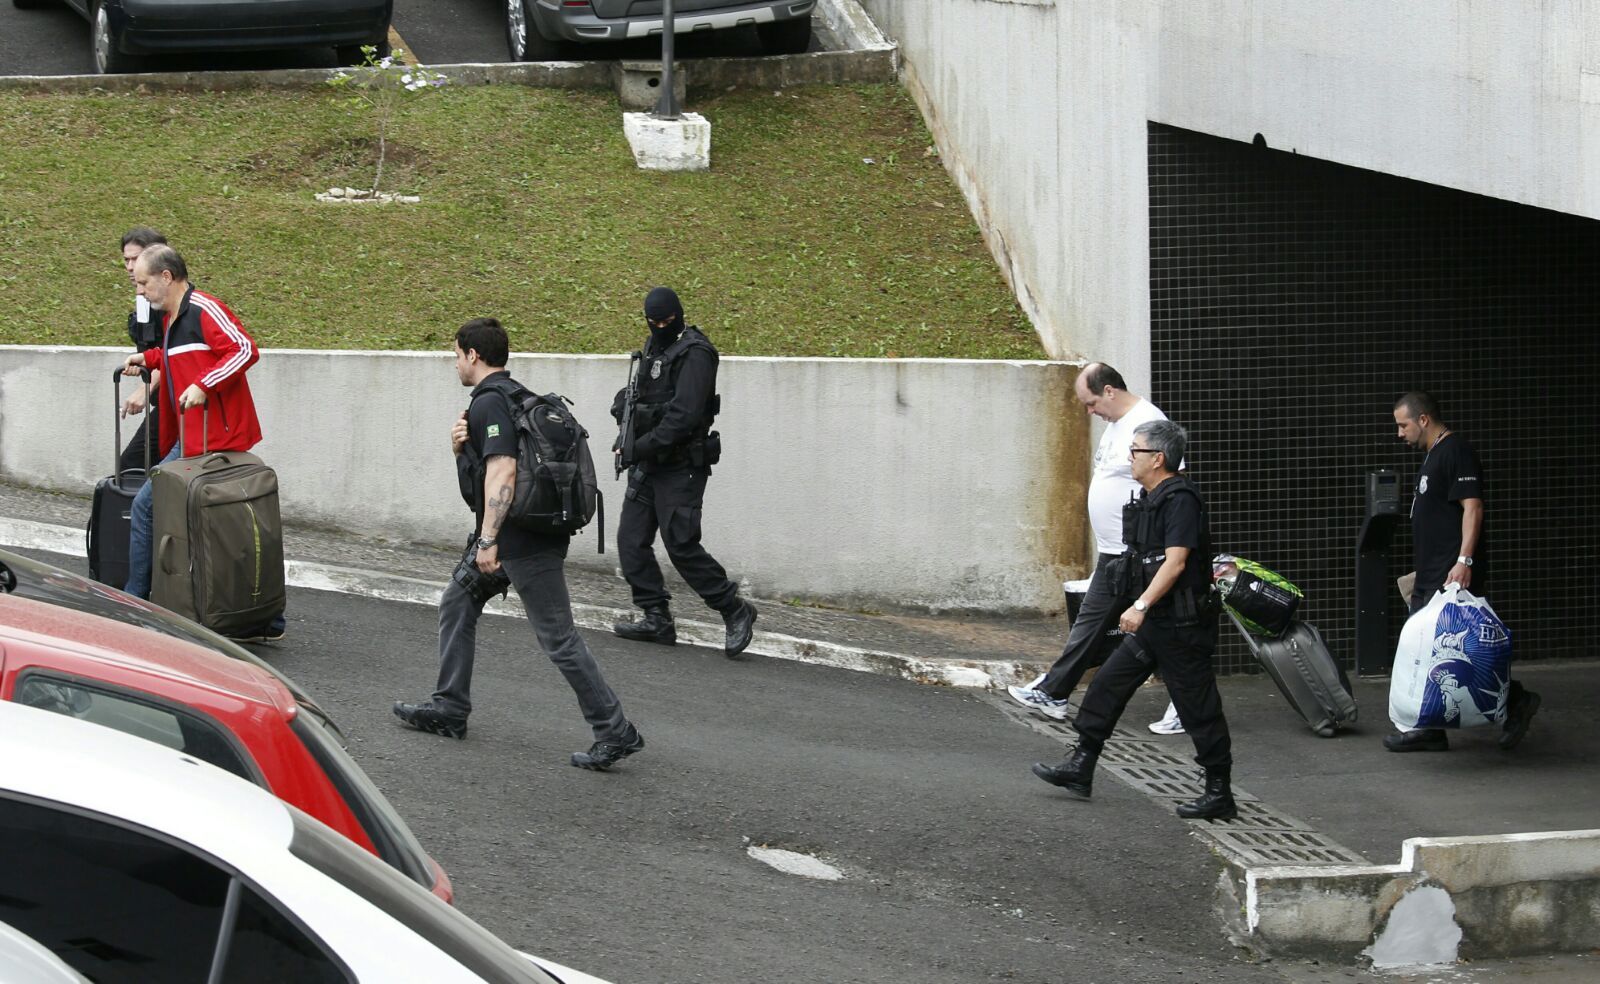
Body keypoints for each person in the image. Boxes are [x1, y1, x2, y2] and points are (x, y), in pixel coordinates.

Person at [394, 318, 644, 771]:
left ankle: (615, 729)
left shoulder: (490, 403)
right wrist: (458, 453)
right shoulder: (518, 395)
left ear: (473, 355)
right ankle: (449, 707)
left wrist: (489, 540)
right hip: (522, 533)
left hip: (519, 541)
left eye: (456, 355)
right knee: (457, 601)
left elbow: (503, 471)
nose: (455, 364)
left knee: (559, 638)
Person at [1032, 421, 1238, 821]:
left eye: (1136, 450)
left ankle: (1219, 793)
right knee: (1107, 684)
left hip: (1181, 625)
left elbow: (1176, 562)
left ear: (1157, 458)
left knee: (1198, 708)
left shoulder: (1180, 500)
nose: (1130, 457)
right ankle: (1081, 766)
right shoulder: (1152, 497)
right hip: (1157, 624)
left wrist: (1140, 605)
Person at [1006, 363, 1185, 735]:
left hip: (1134, 550)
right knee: (1092, 622)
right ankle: (1054, 692)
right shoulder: (1116, 426)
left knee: (1158, 627)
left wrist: (1155, 543)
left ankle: (1186, 702)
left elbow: (1171, 482)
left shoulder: (1148, 422)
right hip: (1114, 549)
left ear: (1109, 391)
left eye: (1090, 403)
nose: (1089, 412)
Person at [120, 245, 282, 641]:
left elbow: (245, 349)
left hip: (216, 438)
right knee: (222, 527)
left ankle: (134, 603)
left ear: (166, 277)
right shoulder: (173, 318)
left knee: (150, 508)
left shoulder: (204, 309)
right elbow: (186, 357)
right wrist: (152, 359)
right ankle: (259, 618)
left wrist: (204, 385)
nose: (139, 291)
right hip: (195, 438)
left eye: (143, 283)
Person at [1387, 392, 1540, 752]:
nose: (1399, 433)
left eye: (1402, 425)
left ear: (1423, 419)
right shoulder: (1433, 455)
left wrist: (1464, 561)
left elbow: (1473, 508)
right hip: (1432, 572)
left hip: (1452, 574)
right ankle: (1430, 729)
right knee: (1427, 649)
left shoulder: (1456, 451)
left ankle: (1517, 701)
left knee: (1461, 652)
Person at [610, 287, 756, 658]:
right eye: (653, 321)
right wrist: (623, 409)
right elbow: (642, 393)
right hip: (649, 465)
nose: (659, 326)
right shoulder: (654, 347)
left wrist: (636, 447)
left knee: (681, 545)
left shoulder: (696, 354)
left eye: (665, 321)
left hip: (680, 466)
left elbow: (683, 417)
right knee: (631, 541)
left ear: (678, 315)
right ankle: (656, 616)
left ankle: (734, 608)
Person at [117, 227, 166, 475]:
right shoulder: (144, 298)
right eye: (126, 259)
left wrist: (144, 390)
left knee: (130, 469)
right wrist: (143, 364)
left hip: (181, 405)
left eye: (135, 259)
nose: (129, 266)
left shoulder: (170, 301)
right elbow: (156, 349)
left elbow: (175, 352)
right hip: (168, 403)